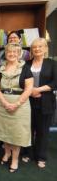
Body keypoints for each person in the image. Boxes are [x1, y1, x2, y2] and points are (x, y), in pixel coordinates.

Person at [0, 43, 33, 173]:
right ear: (6, 53)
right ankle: (7, 153)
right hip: (2, 104)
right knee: (5, 131)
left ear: (19, 53)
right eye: (9, 52)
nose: (12, 54)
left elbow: (29, 88)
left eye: (15, 52)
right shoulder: (0, 68)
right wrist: (3, 101)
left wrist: (16, 104)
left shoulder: (25, 68)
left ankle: (15, 159)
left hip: (20, 106)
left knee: (16, 133)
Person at [22, 38, 57, 168]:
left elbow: (55, 82)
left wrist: (38, 89)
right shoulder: (26, 64)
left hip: (46, 102)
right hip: (28, 101)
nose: (37, 49)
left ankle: (41, 156)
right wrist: (30, 91)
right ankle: (27, 153)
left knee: (43, 131)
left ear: (45, 48)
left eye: (40, 47)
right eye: (34, 47)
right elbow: (22, 81)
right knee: (28, 129)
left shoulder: (52, 64)